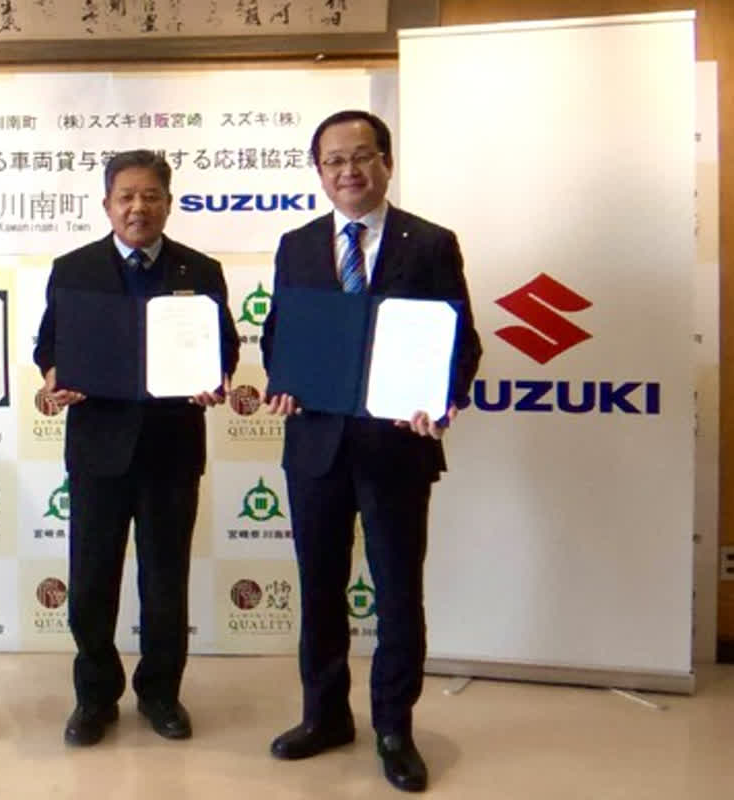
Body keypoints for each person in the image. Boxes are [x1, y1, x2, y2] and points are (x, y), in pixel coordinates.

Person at [261, 110, 482, 793]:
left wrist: (441, 400)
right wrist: (283, 381)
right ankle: (324, 716)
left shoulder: (430, 242)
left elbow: (460, 341)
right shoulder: (297, 244)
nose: (348, 171)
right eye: (333, 161)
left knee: (396, 592)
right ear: (318, 171)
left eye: (361, 156)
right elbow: (279, 334)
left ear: (386, 162)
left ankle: (393, 728)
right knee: (320, 589)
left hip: (396, 446)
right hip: (316, 446)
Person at [33, 150, 239, 746]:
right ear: (107, 204)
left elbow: (224, 347)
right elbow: (48, 345)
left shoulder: (201, 270)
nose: (137, 207)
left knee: (165, 582)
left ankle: (160, 694)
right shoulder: (73, 268)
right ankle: (94, 697)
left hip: (172, 449)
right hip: (98, 450)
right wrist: (52, 375)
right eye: (126, 196)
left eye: (151, 196)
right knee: (90, 582)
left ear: (169, 204)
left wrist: (217, 378)